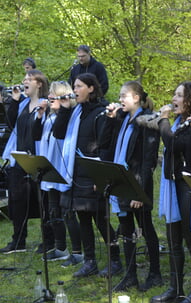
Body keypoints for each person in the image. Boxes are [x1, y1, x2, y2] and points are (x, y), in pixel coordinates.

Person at [52, 73, 121, 277]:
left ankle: (115, 259)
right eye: (74, 86)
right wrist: (64, 110)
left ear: (91, 88)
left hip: (93, 175)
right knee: (83, 219)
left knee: (101, 219)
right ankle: (90, 261)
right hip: (76, 172)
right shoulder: (75, 112)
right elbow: (58, 133)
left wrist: (100, 178)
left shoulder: (101, 113)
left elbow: (105, 146)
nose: (75, 90)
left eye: (79, 86)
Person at [149, 81, 191, 303]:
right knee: (173, 239)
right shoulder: (179, 122)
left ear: (190, 99)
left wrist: (162, 120)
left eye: (179, 95)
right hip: (172, 183)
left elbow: (173, 145)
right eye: (174, 94)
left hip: (187, 186)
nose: (174, 99)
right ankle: (176, 288)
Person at [103, 81, 161, 291]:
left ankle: (155, 274)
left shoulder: (148, 121)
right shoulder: (124, 119)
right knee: (126, 229)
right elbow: (106, 143)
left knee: (146, 228)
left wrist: (140, 191)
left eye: (123, 96)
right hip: (121, 183)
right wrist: (111, 120)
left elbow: (149, 160)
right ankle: (130, 275)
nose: (120, 100)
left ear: (136, 98)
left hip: (137, 185)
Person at [31, 81, 83, 263]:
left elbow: (60, 132)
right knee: (53, 211)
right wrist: (39, 116)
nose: (49, 98)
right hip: (50, 170)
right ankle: (60, 248)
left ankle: (78, 251)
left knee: (68, 212)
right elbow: (36, 136)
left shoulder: (68, 116)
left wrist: (64, 109)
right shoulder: (49, 117)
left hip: (64, 169)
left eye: (54, 95)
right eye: (49, 95)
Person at [0, 70, 50, 254]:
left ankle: (48, 240)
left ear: (39, 84)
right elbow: (11, 123)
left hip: (38, 158)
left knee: (43, 201)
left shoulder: (47, 105)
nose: (24, 81)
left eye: (29, 79)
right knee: (17, 200)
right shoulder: (23, 104)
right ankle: (18, 240)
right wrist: (14, 100)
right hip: (19, 158)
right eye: (24, 79)